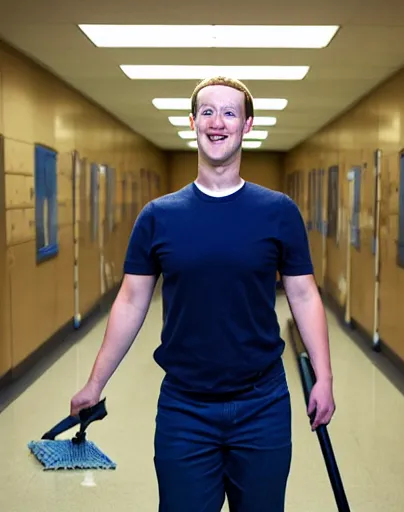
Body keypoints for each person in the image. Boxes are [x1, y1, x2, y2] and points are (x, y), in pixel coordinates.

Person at [70, 76, 335, 511]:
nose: (218, 122)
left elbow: (303, 295)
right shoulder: (158, 217)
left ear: (247, 125)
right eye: (207, 112)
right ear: (192, 122)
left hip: (262, 404)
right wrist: (95, 383)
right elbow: (132, 301)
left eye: (230, 112)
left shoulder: (278, 212)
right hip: (184, 408)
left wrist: (324, 378)